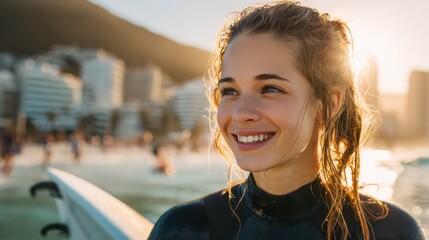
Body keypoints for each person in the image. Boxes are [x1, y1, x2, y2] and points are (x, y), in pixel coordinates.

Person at [149, 1, 424, 239]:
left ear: (328, 106)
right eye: (230, 91)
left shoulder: (389, 233)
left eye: (270, 89)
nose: (242, 112)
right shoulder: (184, 230)